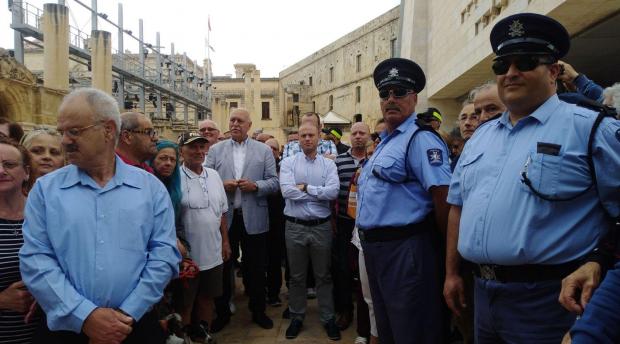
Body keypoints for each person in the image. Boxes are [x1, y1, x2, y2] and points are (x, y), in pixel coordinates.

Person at [444, 13, 620, 344]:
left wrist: (601, 261)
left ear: (554, 71)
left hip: (552, 300)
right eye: (502, 65)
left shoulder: (592, 128)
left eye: (524, 62)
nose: (510, 73)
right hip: (482, 293)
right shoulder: (480, 138)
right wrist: (452, 273)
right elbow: (458, 207)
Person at [19, 88, 181, 344]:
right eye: (62, 132)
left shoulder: (149, 188)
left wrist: (126, 315)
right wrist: (86, 317)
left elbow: (165, 255)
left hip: (135, 327)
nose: (64, 141)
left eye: (74, 131)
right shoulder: (46, 191)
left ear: (108, 130)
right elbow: (35, 258)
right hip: (66, 332)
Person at [357, 57, 452, 344]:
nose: (391, 99)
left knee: (413, 329)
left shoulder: (420, 139)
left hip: (406, 249)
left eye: (399, 92)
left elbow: (443, 199)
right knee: (388, 328)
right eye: (385, 94)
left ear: (414, 97)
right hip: (377, 249)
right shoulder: (387, 141)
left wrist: (446, 260)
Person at [205, 108, 279, 331]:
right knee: (224, 266)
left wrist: (256, 186)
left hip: (254, 216)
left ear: (249, 125)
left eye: (240, 121)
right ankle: (223, 313)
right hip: (225, 218)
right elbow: (205, 178)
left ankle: (258, 311)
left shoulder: (263, 151)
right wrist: (222, 184)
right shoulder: (216, 150)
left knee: (256, 267)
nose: (235, 124)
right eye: (232, 120)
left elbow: (274, 183)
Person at [280, 122, 341, 340]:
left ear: (319, 138)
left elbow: (333, 192)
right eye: (303, 135)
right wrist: (318, 193)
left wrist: (306, 188)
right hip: (295, 226)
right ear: (298, 139)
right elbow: (287, 192)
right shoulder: (288, 163)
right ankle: (297, 317)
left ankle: (328, 318)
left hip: (320, 227)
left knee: (323, 275)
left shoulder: (328, 165)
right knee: (296, 277)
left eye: (311, 135)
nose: (307, 138)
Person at [177, 132, 230, 342]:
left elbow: (222, 213)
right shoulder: (175, 178)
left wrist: (225, 241)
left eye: (202, 147)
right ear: (181, 151)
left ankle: (203, 335)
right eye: (192, 147)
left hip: (213, 251)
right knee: (186, 303)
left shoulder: (214, 175)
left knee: (208, 298)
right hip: (187, 256)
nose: (199, 152)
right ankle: (185, 339)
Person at [0, 136, 40, 344]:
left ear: (26, 171)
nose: (1, 171)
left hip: (48, 334)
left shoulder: (46, 214)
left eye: (9, 165)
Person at [332, 122, 370, 331]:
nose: (357, 136)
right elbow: (333, 194)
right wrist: (333, 221)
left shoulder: (374, 159)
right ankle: (345, 311)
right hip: (345, 223)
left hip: (368, 224)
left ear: (368, 136)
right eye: (354, 133)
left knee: (365, 271)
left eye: (361, 133)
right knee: (343, 269)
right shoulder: (339, 161)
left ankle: (367, 317)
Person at [264, 138, 286, 307]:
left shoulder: (285, 168)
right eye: (267, 148)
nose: (270, 151)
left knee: (275, 259)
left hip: (279, 221)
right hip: (259, 219)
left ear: (278, 152)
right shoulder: (258, 167)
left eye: (274, 148)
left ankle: (273, 293)